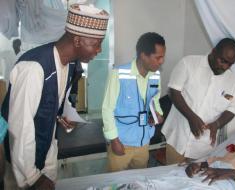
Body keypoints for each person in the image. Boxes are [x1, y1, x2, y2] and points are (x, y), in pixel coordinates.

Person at [1, 4, 109, 189]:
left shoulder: (67, 65)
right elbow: (19, 129)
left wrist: (63, 116)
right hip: (23, 168)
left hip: (45, 158)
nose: (99, 50)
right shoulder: (34, 68)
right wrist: (33, 177)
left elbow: (50, 104)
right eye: (96, 43)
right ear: (77, 41)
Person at [162, 38, 235, 164]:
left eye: (230, 64)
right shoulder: (188, 63)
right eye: (222, 60)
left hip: (203, 147)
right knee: (170, 176)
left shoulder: (233, 83)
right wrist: (191, 117)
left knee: (197, 180)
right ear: (214, 51)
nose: (225, 66)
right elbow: (174, 91)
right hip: (178, 138)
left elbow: (232, 109)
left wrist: (217, 124)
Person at [102, 32, 165, 172]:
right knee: (115, 184)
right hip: (122, 143)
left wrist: (158, 114)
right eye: (158, 57)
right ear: (143, 55)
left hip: (144, 143)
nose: (161, 61)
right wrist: (114, 140)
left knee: (138, 182)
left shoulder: (156, 75)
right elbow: (107, 109)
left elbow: (155, 99)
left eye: (163, 57)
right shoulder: (118, 74)